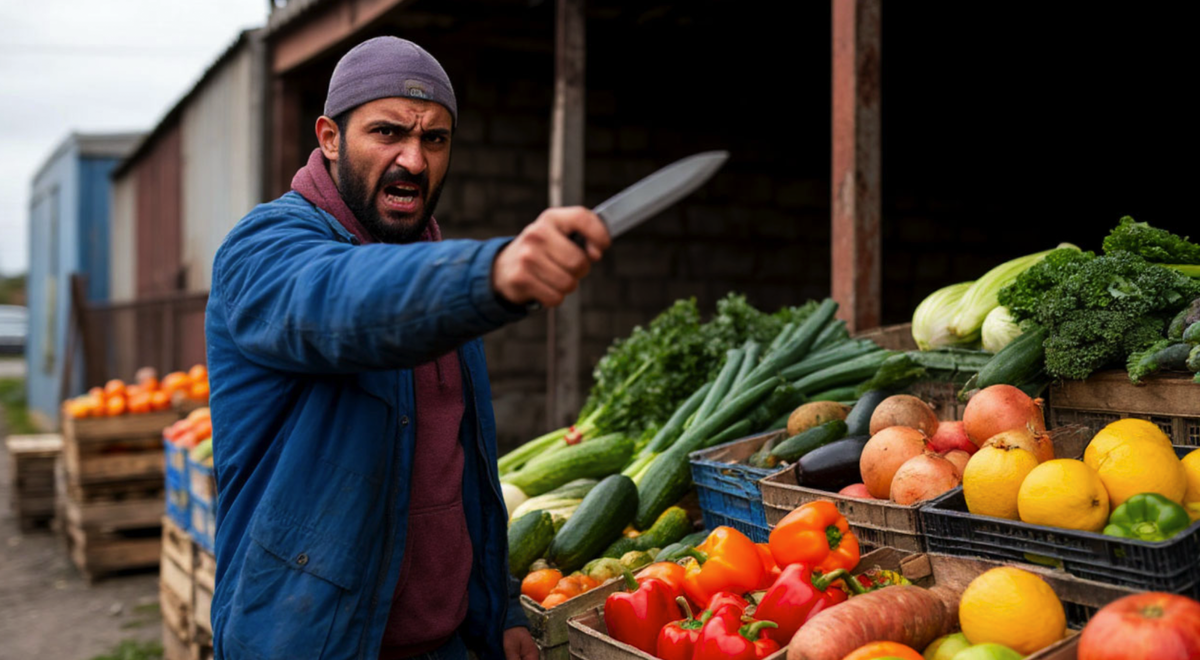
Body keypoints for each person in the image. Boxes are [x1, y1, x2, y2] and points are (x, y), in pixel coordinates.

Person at [204, 36, 610, 660]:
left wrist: (499, 607)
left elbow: (465, 472)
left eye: (434, 139)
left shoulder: (435, 272)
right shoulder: (264, 248)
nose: (414, 161)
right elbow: (338, 301)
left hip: (447, 642)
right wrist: (489, 274)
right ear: (330, 137)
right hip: (313, 644)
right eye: (387, 133)